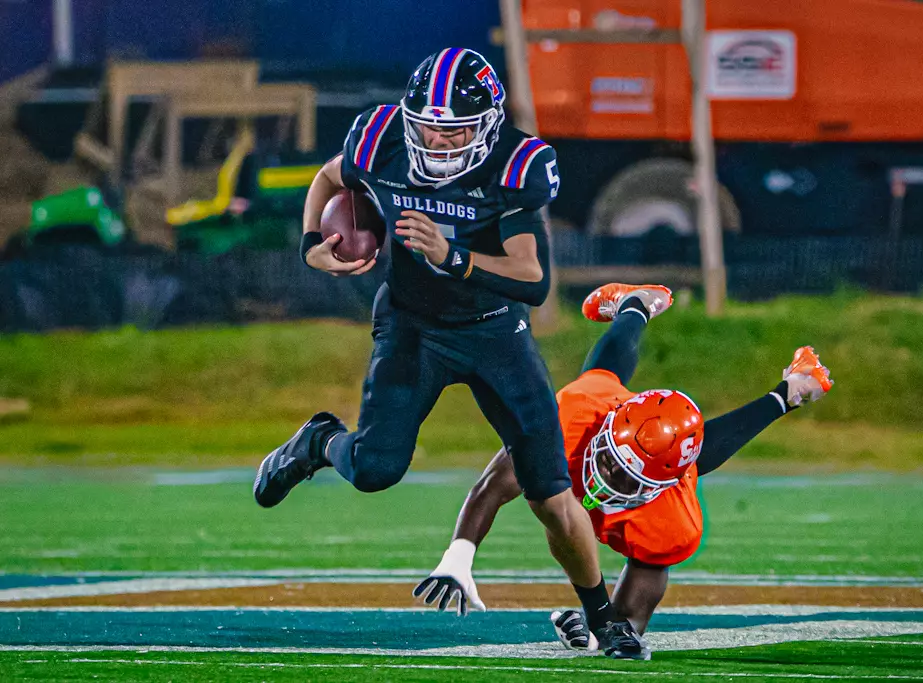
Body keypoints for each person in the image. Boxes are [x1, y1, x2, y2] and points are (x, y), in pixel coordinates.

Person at [252, 48, 646, 658]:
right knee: (376, 469)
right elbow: (331, 177)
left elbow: (532, 279)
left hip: (494, 332)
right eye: (428, 125)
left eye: (455, 127)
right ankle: (319, 442)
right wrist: (310, 244)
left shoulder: (517, 165)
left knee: (548, 489)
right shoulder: (380, 138)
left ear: (486, 123)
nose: (437, 140)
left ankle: (604, 617)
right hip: (413, 327)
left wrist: (452, 257)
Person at [413, 282, 834, 655]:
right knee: (601, 376)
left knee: (688, 460)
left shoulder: (669, 517)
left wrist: (600, 633)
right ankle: (637, 303)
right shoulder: (574, 419)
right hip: (597, 406)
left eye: (626, 476)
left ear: (661, 486)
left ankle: (791, 391)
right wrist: (459, 555)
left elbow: (628, 627)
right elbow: (491, 486)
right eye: (612, 461)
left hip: (663, 474)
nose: (608, 478)